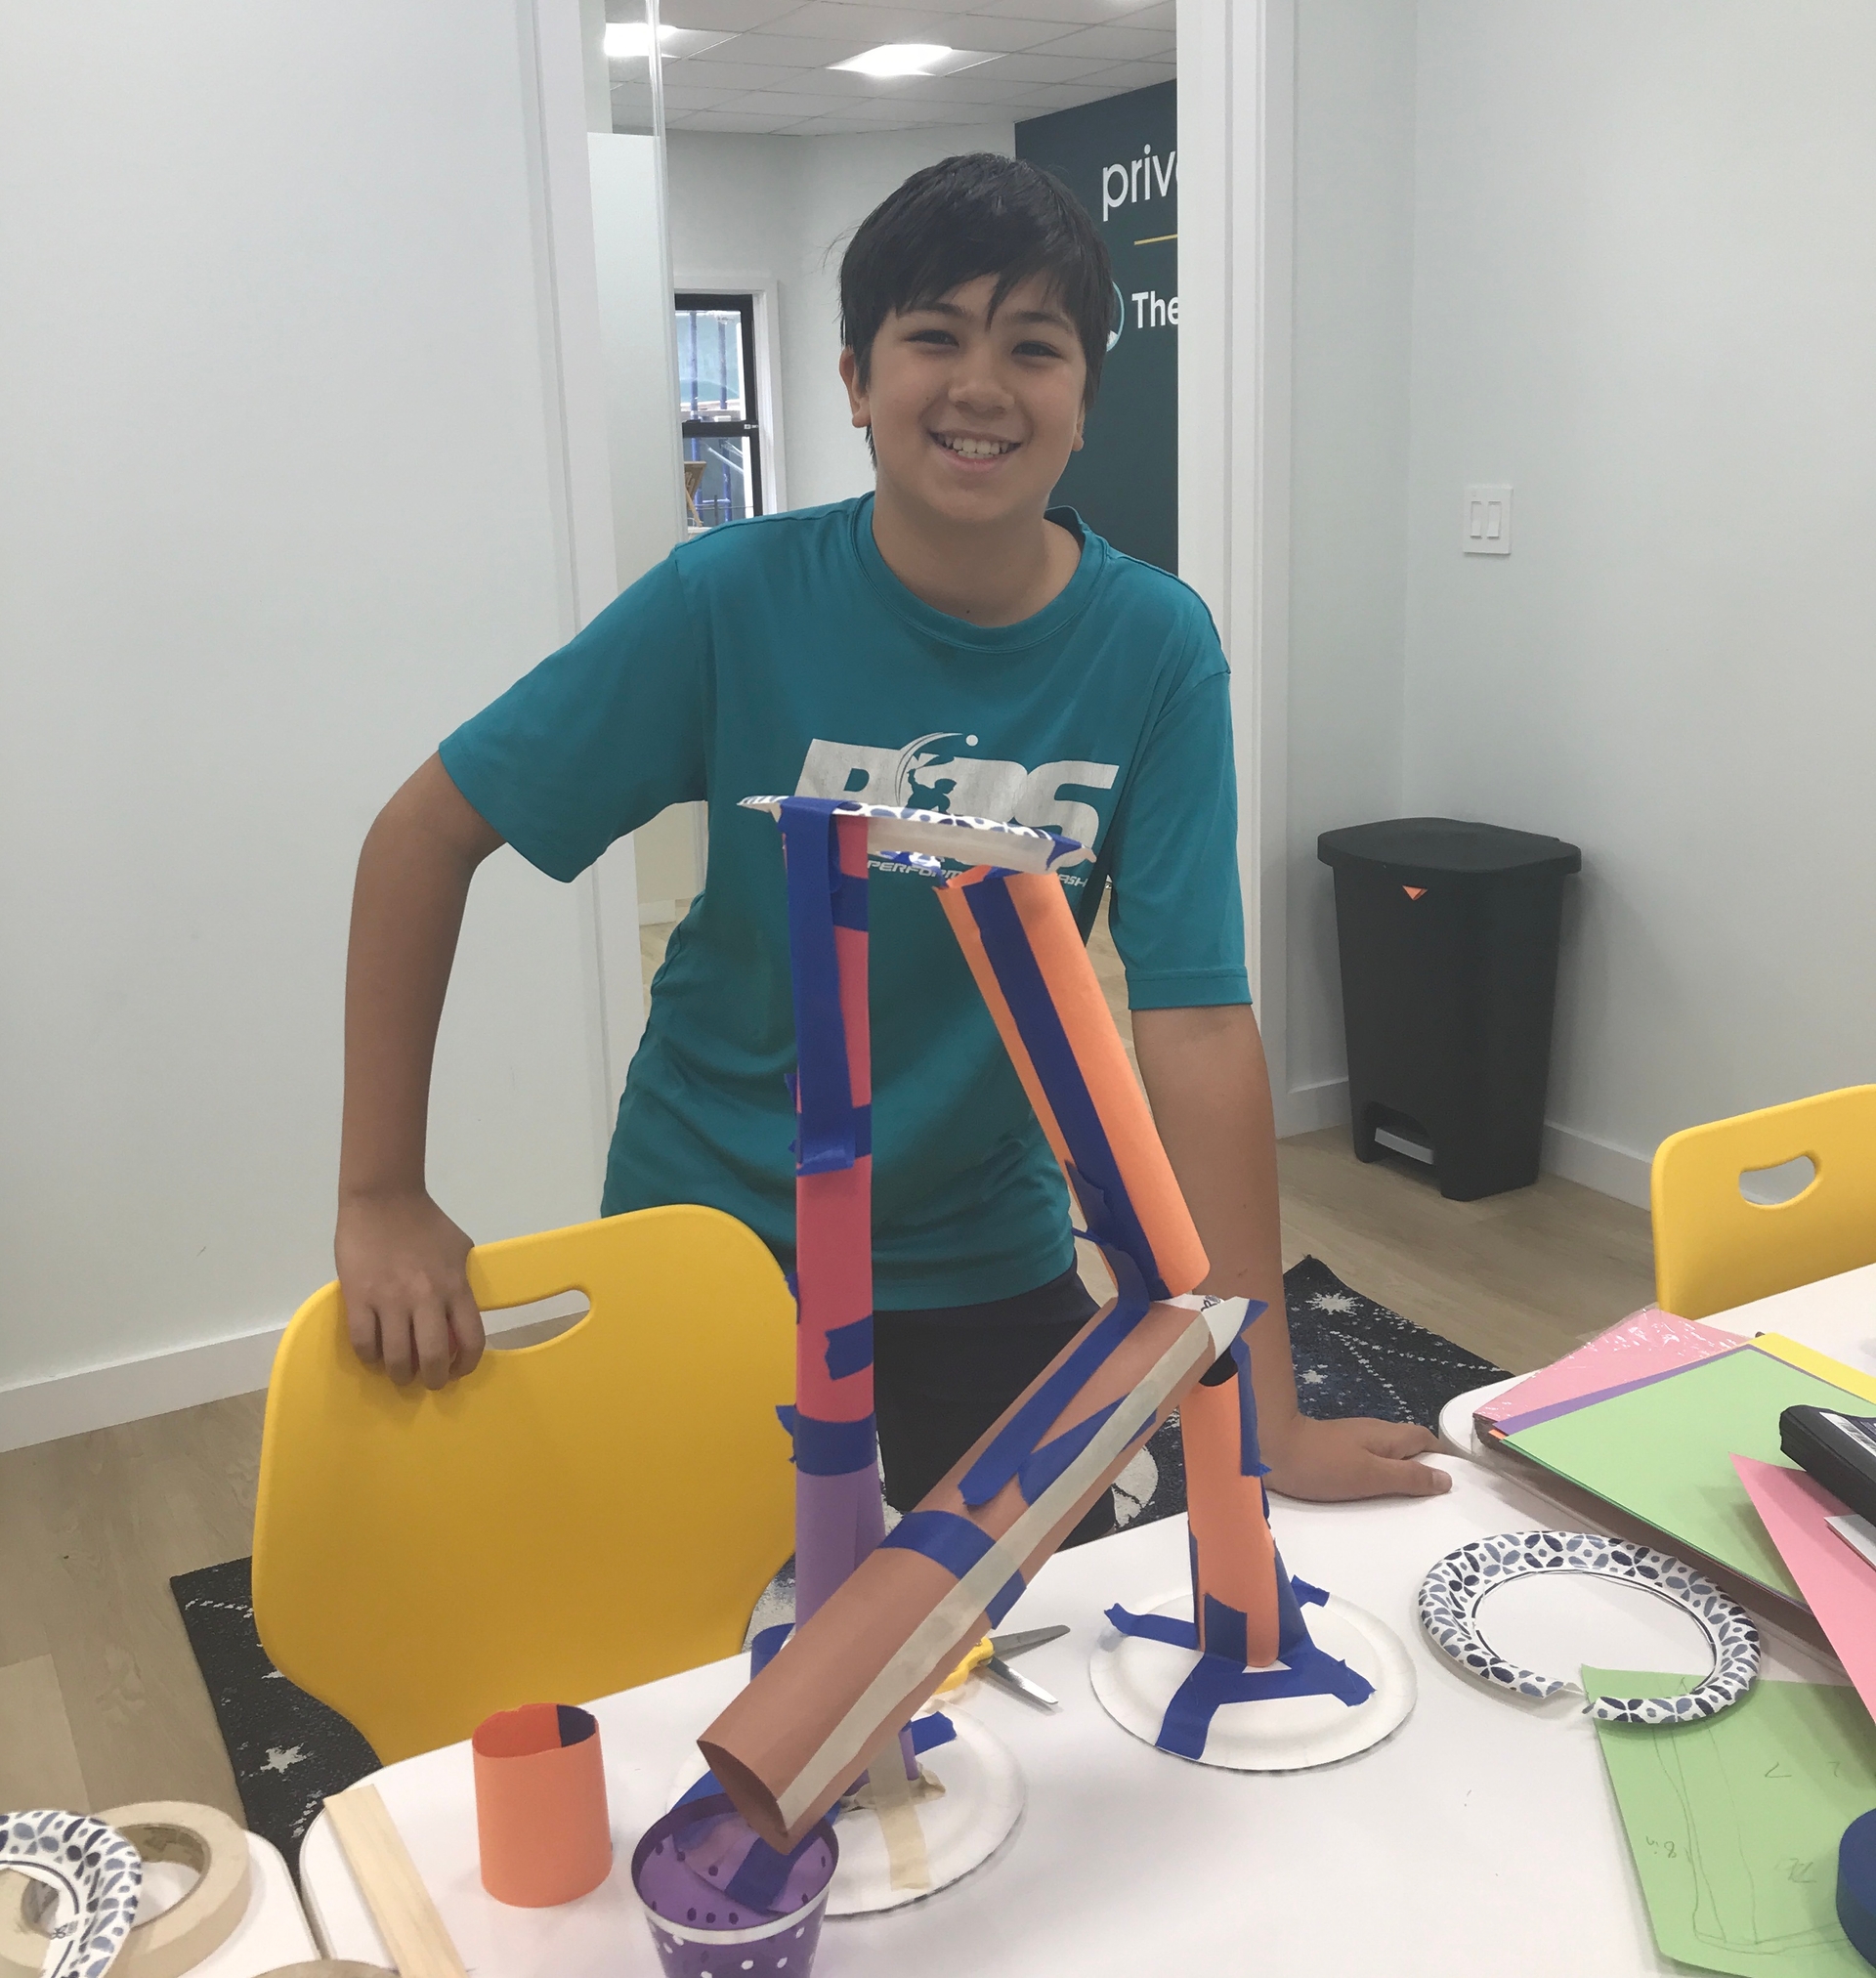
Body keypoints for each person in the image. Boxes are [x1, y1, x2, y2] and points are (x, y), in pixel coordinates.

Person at [334, 151, 1448, 1525]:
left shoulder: (1154, 646)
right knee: (716, 1647)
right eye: (934, 337)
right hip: (719, 1221)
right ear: (857, 382)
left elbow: (1199, 1028)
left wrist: (1265, 1412)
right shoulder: (727, 600)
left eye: (1035, 347)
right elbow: (421, 836)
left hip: (981, 1235)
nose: (982, 386)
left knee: (1022, 1624)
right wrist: (382, 1192)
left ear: (1085, 400)